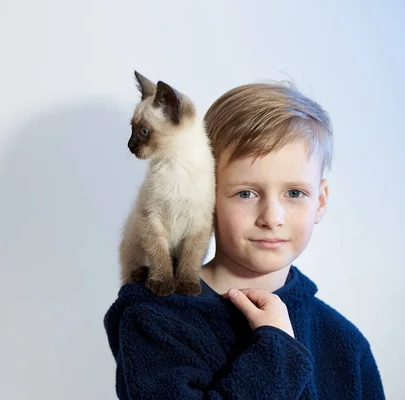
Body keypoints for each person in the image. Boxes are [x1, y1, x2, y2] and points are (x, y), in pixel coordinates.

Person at [103, 82, 386, 399]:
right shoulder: (154, 320)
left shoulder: (346, 342)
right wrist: (276, 350)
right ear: (208, 192)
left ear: (320, 201)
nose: (271, 217)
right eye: (246, 193)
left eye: (294, 193)